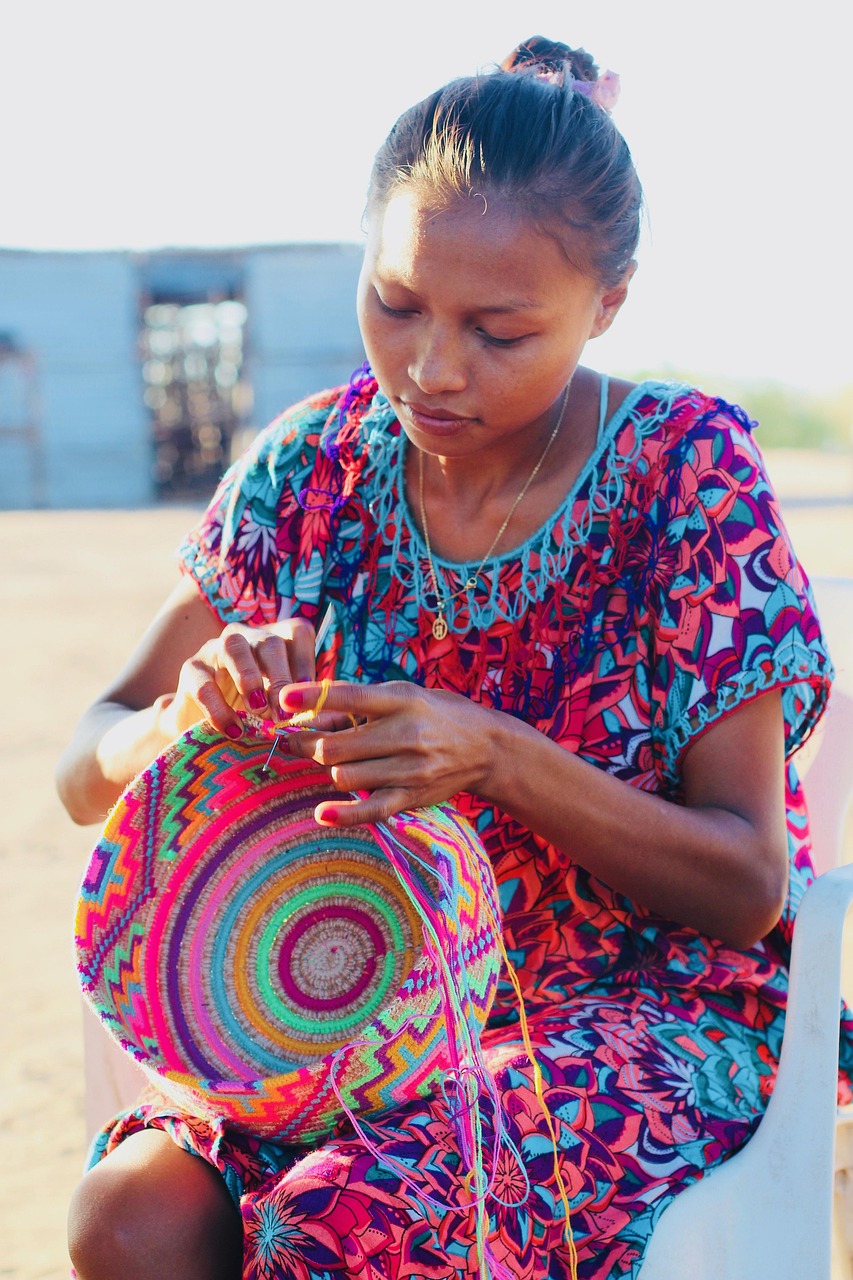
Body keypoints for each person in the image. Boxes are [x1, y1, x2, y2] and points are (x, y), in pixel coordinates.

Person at [57, 35, 853, 1280]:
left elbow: (748, 881)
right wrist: (185, 718)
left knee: (333, 1224)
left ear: (610, 304)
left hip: (644, 1011)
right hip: (333, 1002)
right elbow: (82, 763)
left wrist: (498, 757)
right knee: (132, 1218)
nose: (430, 367)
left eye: (498, 330)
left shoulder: (682, 474)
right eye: (397, 302)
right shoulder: (308, 467)